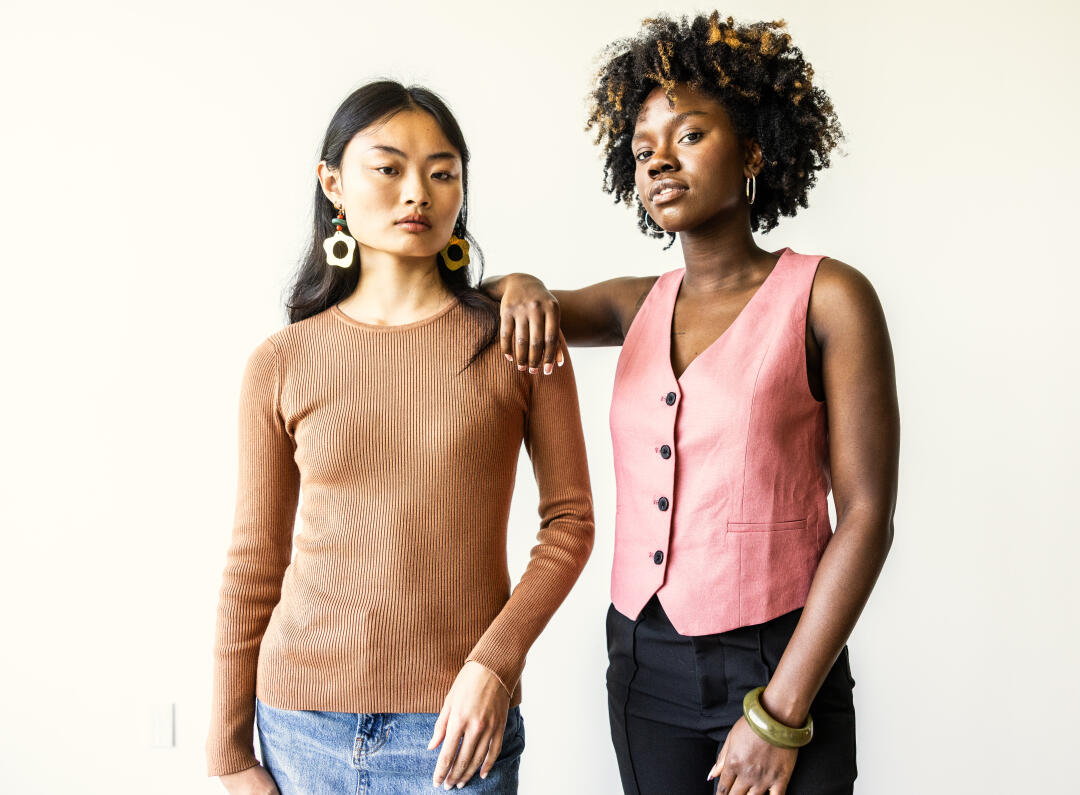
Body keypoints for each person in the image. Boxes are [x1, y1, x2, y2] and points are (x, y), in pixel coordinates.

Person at [482, 13, 899, 794]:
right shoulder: (633, 305)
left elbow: (869, 515)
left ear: (754, 149)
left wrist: (781, 711)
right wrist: (519, 284)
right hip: (643, 664)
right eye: (643, 150)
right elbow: (498, 306)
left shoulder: (829, 297)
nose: (659, 160)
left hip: (781, 657)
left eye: (689, 136)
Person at [205, 80, 595, 794]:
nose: (418, 191)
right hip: (298, 723)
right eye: (388, 168)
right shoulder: (281, 361)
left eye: (442, 172)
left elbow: (570, 524)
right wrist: (229, 752)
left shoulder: (518, 339)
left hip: (458, 725)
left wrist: (495, 664)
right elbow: (255, 560)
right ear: (333, 184)